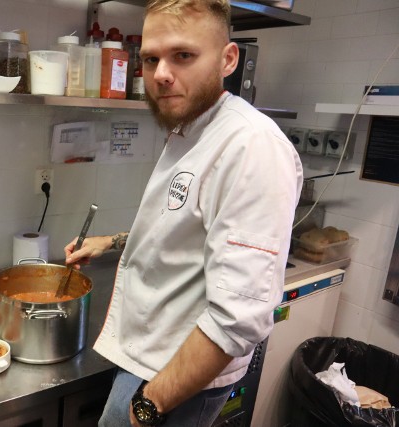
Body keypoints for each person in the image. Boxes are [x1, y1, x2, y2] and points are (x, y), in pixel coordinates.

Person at [63, 1, 303, 426]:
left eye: (183, 56)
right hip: (151, 359)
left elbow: (238, 320)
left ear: (228, 59)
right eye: (151, 59)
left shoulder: (252, 147)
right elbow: (184, 230)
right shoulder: (192, 127)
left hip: (175, 384)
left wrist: (148, 405)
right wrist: (114, 242)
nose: (160, 74)